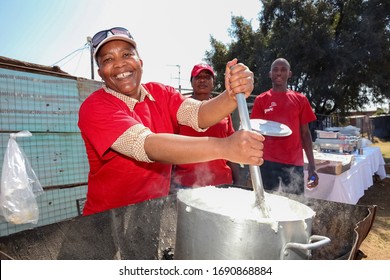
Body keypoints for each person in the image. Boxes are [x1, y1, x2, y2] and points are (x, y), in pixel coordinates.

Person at [78, 27, 264, 215]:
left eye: (126, 54)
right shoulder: (95, 106)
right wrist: (225, 148)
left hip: (152, 212)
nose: (119, 64)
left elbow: (198, 113)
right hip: (106, 221)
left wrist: (231, 94)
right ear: (100, 72)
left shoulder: (160, 93)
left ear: (140, 62)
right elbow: (145, 145)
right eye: (108, 59)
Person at [171, 63, 245, 191]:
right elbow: (169, 148)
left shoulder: (223, 109)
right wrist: (169, 182)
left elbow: (231, 145)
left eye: (207, 77)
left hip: (221, 184)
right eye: (198, 77)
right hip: (185, 184)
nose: (202, 80)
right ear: (191, 82)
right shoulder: (179, 108)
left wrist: (238, 181)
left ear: (213, 83)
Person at [250, 58, 318, 195]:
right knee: (265, 203)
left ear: (290, 74)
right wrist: (251, 166)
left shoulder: (300, 100)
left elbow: (305, 134)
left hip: (294, 163)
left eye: (283, 70)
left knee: (295, 205)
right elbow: (254, 133)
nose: (279, 73)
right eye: (275, 70)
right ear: (270, 74)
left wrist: (312, 166)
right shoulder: (261, 100)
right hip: (267, 162)